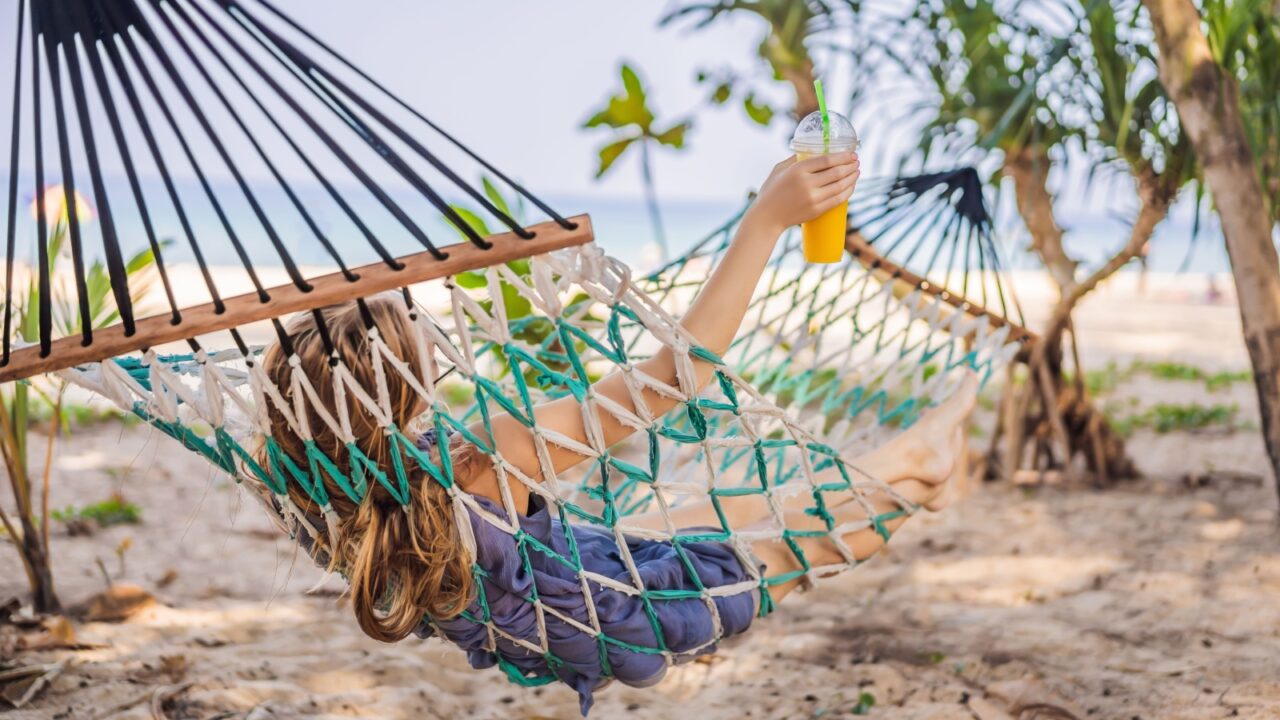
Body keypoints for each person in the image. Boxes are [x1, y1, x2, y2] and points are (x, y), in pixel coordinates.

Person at [256, 151, 977, 713]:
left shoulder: (319, 498)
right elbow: (670, 381)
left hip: (568, 583)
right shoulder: (481, 460)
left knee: (699, 516)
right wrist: (767, 219)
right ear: (407, 389)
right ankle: (914, 465)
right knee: (796, 541)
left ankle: (920, 474)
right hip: (617, 614)